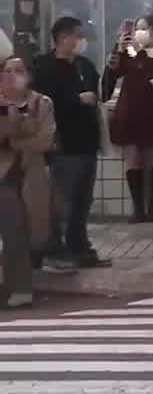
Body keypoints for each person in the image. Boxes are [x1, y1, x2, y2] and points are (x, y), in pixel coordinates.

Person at [30, 17, 109, 269]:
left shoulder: (84, 65)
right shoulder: (45, 67)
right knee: (62, 198)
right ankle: (54, 247)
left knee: (83, 200)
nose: (80, 41)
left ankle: (79, 245)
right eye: (77, 35)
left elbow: (101, 92)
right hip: (64, 143)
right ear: (63, 38)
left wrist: (113, 71)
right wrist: (76, 99)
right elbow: (45, 101)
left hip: (88, 141)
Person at [0, 57, 57, 307]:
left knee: (29, 234)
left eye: (19, 71)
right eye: (7, 71)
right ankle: (15, 287)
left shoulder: (42, 103)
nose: (13, 75)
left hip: (29, 173)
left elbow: (45, 140)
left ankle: (20, 287)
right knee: (13, 232)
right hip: (4, 176)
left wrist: (13, 141)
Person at [105, 15, 153, 224]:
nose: (139, 32)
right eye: (137, 28)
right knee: (133, 159)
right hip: (130, 114)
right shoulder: (130, 55)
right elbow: (111, 74)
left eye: (144, 28)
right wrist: (119, 49)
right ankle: (138, 208)